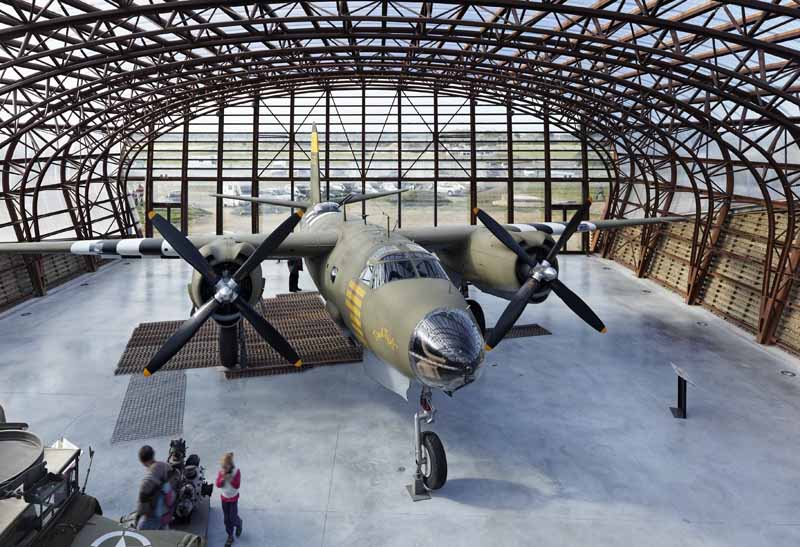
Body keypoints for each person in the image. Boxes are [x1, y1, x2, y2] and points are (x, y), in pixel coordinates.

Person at [136, 445, 174, 530]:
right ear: (153, 454)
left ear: (142, 461)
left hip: (154, 518)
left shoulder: (147, 482)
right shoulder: (166, 466)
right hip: (167, 513)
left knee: (140, 531)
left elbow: (142, 509)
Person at [216, 452, 242, 546]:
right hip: (224, 498)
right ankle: (230, 536)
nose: (223, 469)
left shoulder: (236, 472)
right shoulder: (221, 472)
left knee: (233, 518)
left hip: (233, 498)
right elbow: (217, 484)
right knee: (227, 519)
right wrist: (222, 480)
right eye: (222, 467)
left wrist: (230, 479)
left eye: (225, 467)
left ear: (230, 465)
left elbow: (237, 485)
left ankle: (238, 523)